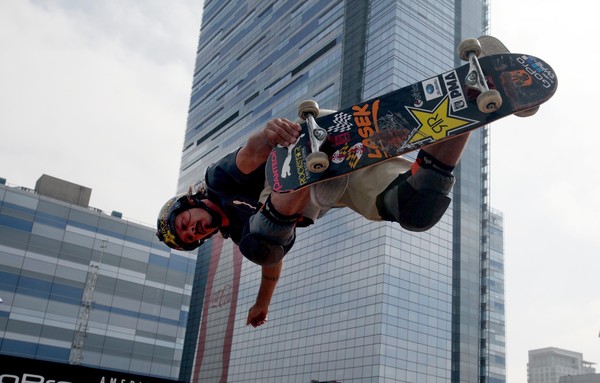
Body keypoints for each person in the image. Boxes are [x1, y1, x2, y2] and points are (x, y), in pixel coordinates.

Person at [157, 117, 470, 327]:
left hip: (315, 140)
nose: (192, 229)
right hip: (339, 176)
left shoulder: (218, 181)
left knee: (259, 238)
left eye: (184, 223)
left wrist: (268, 136)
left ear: (189, 204)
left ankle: (302, 173)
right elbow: (270, 267)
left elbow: (250, 154)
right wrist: (262, 304)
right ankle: (470, 105)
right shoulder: (240, 234)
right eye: (190, 237)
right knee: (416, 209)